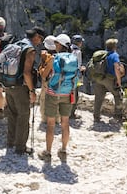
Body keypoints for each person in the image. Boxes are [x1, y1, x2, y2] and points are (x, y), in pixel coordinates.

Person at [5, 26, 45, 155]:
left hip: (8, 83)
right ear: (37, 36)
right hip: (20, 86)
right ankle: (20, 147)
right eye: (41, 39)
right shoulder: (30, 50)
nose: (40, 42)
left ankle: (10, 141)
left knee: (12, 113)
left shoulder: (16, 44)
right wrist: (32, 91)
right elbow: (27, 73)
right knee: (23, 115)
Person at [38, 34, 77, 163]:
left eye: (56, 43)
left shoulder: (53, 59)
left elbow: (44, 75)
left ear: (60, 45)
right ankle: (63, 150)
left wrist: (42, 70)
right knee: (65, 123)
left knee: (50, 124)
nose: (55, 45)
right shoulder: (74, 58)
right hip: (67, 93)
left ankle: (48, 152)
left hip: (53, 93)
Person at [93, 38, 124, 122]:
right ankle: (117, 117)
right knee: (118, 95)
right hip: (109, 79)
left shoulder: (102, 54)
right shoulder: (114, 55)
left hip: (99, 78)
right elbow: (116, 68)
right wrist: (119, 81)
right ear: (114, 46)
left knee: (98, 97)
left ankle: (96, 117)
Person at [38, 35, 59, 124]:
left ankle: (44, 118)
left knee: (44, 99)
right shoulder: (60, 56)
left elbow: (43, 74)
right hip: (58, 81)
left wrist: (42, 60)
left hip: (48, 81)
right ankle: (57, 118)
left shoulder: (48, 57)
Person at [70, 35, 86, 119]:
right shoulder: (78, 52)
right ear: (78, 43)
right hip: (74, 76)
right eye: (81, 42)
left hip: (66, 74)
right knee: (74, 94)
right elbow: (78, 65)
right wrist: (82, 68)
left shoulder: (69, 49)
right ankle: (71, 113)